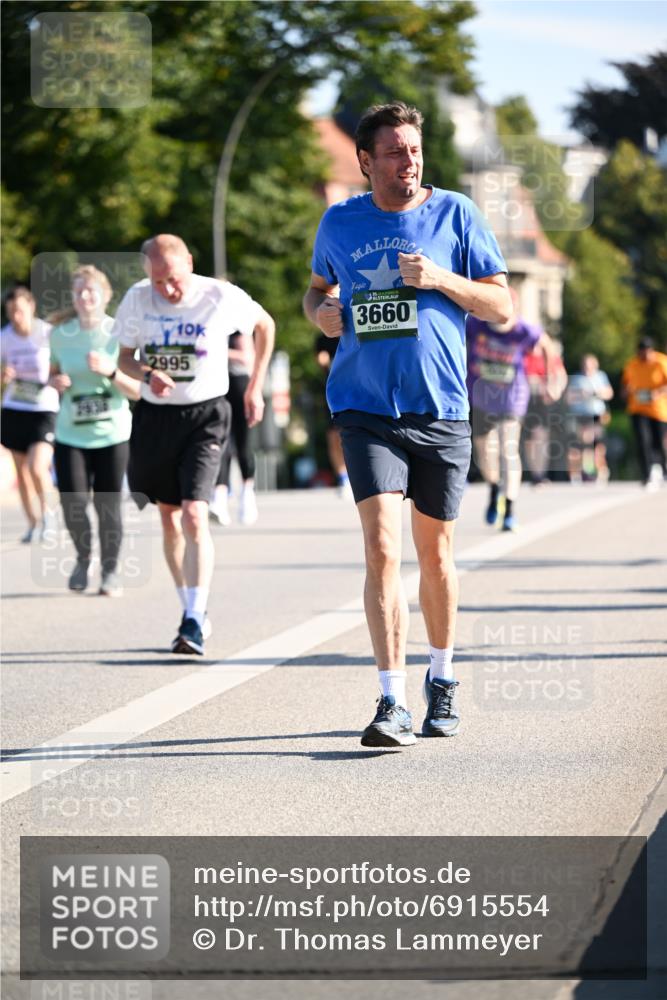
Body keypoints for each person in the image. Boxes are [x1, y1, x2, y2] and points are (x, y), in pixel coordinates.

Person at [303, 102, 511, 748]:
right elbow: (315, 290)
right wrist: (320, 315)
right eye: (393, 151)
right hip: (364, 408)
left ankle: (441, 679)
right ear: (365, 161)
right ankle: (390, 698)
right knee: (380, 550)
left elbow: (501, 305)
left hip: (440, 408)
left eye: (413, 149)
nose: (407, 160)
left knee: (436, 556)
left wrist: (443, 278)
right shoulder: (339, 221)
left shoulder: (455, 214)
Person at [115, 234, 275, 654]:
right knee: (169, 519)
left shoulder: (219, 295)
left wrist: (255, 386)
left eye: (173, 279)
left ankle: (192, 620)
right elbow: (123, 357)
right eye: (158, 282)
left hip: (206, 415)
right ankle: (191, 607)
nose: (167, 290)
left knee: (193, 514)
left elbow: (265, 325)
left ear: (189, 261)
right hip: (155, 416)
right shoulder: (136, 299)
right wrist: (148, 373)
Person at [49, 265, 140, 595]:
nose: (85, 297)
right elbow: (53, 373)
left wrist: (111, 371)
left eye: (91, 291)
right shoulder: (59, 335)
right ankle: (83, 557)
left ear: (106, 295)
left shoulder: (120, 332)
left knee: (108, 505)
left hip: (112, 434)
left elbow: (138, 391)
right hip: (70, 432)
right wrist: (55, 382)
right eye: (79, 292)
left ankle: (111, 571)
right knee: (72, 502)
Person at [466, 288, 558, 530]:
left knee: (508, 448)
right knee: (484, 453)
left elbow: (548, 347)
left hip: (512, 397)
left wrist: (550, 380)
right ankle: (494, 487)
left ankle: (510, 507)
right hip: (481, 396)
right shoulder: (475, 325)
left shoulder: (523, 330)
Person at [1, 286, 58, 542]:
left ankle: (48, 516)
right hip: (15, 407)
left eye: (20, 311)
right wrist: (3, 377)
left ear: (31, 307)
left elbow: (62, 365)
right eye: (11, 312)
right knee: (21, 472)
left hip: (44, 408)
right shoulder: (4, 337)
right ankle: (32, 523)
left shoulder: (47, 334)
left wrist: (57, 378)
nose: (16, 317)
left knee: (37, 467)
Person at [209, 330, 259, 526]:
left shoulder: (238, 328)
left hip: (239, 385)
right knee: (220, 443)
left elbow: (246, 357)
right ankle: (219, 497)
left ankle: (247, 494)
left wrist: (216, 350)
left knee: (243, 444)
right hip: (216, 386)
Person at [621, 337, 667, 489]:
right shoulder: (632, 364)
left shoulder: (661, 362)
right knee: (642, 441)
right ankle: (646, 475)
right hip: (638, 409)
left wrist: (658, 393)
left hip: (658, 410)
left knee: (658, 442)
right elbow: (624, 387)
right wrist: (626, 392)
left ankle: (663, 470)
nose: (643, 356)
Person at [523, 337, 567, 486]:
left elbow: (561, 377)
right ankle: (535, 473)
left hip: (544, 403)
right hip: (526, 401)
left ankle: (539, 474)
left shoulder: (551, 357)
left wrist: (555, 390)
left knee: (540, 437)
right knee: (530, 441)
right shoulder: (524, 356)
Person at [314, 332, 352, 498]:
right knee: (334, 436)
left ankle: (354, 474)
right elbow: (321, 359)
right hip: (334, 391)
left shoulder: (353, 329)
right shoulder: (322, 337)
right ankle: (343, 478)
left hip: (355, 388)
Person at [565, 353, 613, 483]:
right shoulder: (576, 378)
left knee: (597, 444)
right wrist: (581, 395)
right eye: (585, 365)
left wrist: (597, 393)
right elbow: (568, 398)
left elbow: (609, 393)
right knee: (580, 444)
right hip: (580, 415)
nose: (588, 368)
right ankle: (579, 473)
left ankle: (600, 471)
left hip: (596, 414)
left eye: (590, 365)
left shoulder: (601, 376)